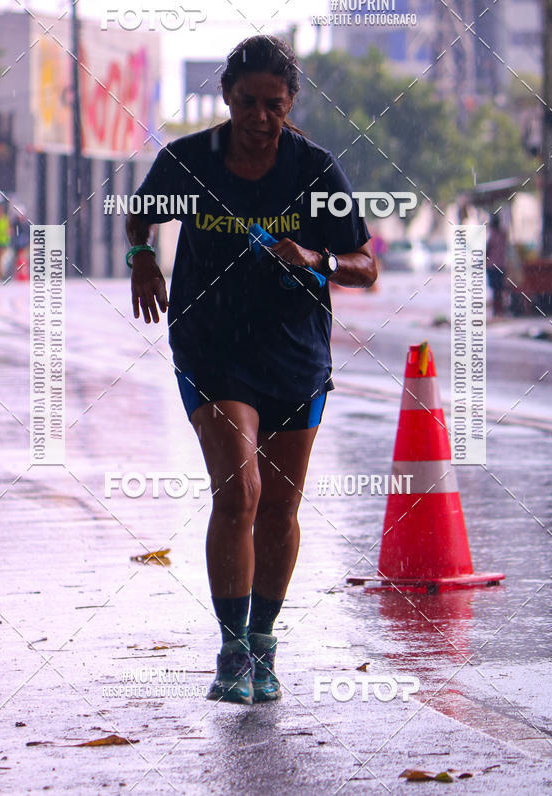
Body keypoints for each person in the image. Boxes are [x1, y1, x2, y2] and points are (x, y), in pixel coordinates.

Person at [126, 35, 377, 705]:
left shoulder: (315, 169)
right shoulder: (189, 159)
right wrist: (144, 257)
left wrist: (317, 260)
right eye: (246, 102)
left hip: (295, 352)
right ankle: (232, 651)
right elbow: (138, 216)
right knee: (240, 493)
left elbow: (365, 264)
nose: (259, 117)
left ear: (291, 102)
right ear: (226, 98)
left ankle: (263, 643)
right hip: (212, 346)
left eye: (273, 104)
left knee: (282, 506)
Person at [486, 213, 507, 317]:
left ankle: (497, 310)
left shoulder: (492, 234)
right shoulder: (503, 234)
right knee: (500, 288)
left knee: (495, 289)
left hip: (492, 265)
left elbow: (487, 249)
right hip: (501, 264)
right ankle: (499, 310)